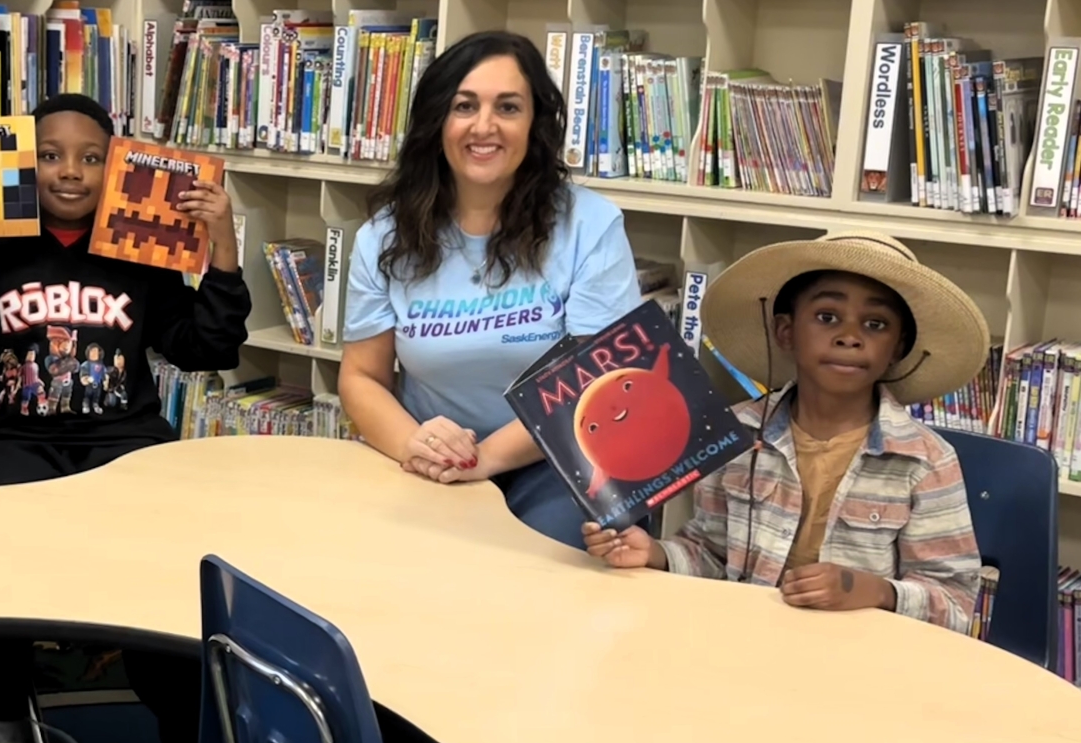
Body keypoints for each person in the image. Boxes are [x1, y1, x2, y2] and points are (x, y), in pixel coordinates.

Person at [0, 93, 253, 743]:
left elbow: (208, 346)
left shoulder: (138, 249)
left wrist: (221, 247)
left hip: (123, 440)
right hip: (15, 439)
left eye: (91, 157)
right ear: (27, 162)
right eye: (52, 154)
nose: (70, 171)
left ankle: (194, 740)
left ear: (113, 167)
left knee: (168, 558)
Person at [581, 231, 987, 633]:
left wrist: (878, 592)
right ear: (786, 332)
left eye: (876, 324)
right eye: (827, 317)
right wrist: (655, 553)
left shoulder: (925, 460)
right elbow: (709, 552)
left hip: (860, 661)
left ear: (897, 347)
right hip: (744, 640)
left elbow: (955, 602)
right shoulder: (738, 435)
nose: (850, 337)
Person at [337, 30, 642, 550]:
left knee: (535, 572)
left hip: (565, 457)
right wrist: (416, 443)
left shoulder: (591, 225)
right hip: (434, 458)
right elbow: (362, 377)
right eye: (464, 106)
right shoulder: (383, 237)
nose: (485, 126)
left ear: (534, 124)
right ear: (437, 123)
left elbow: (601, 386)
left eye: (508, 107)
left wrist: (482, 461)